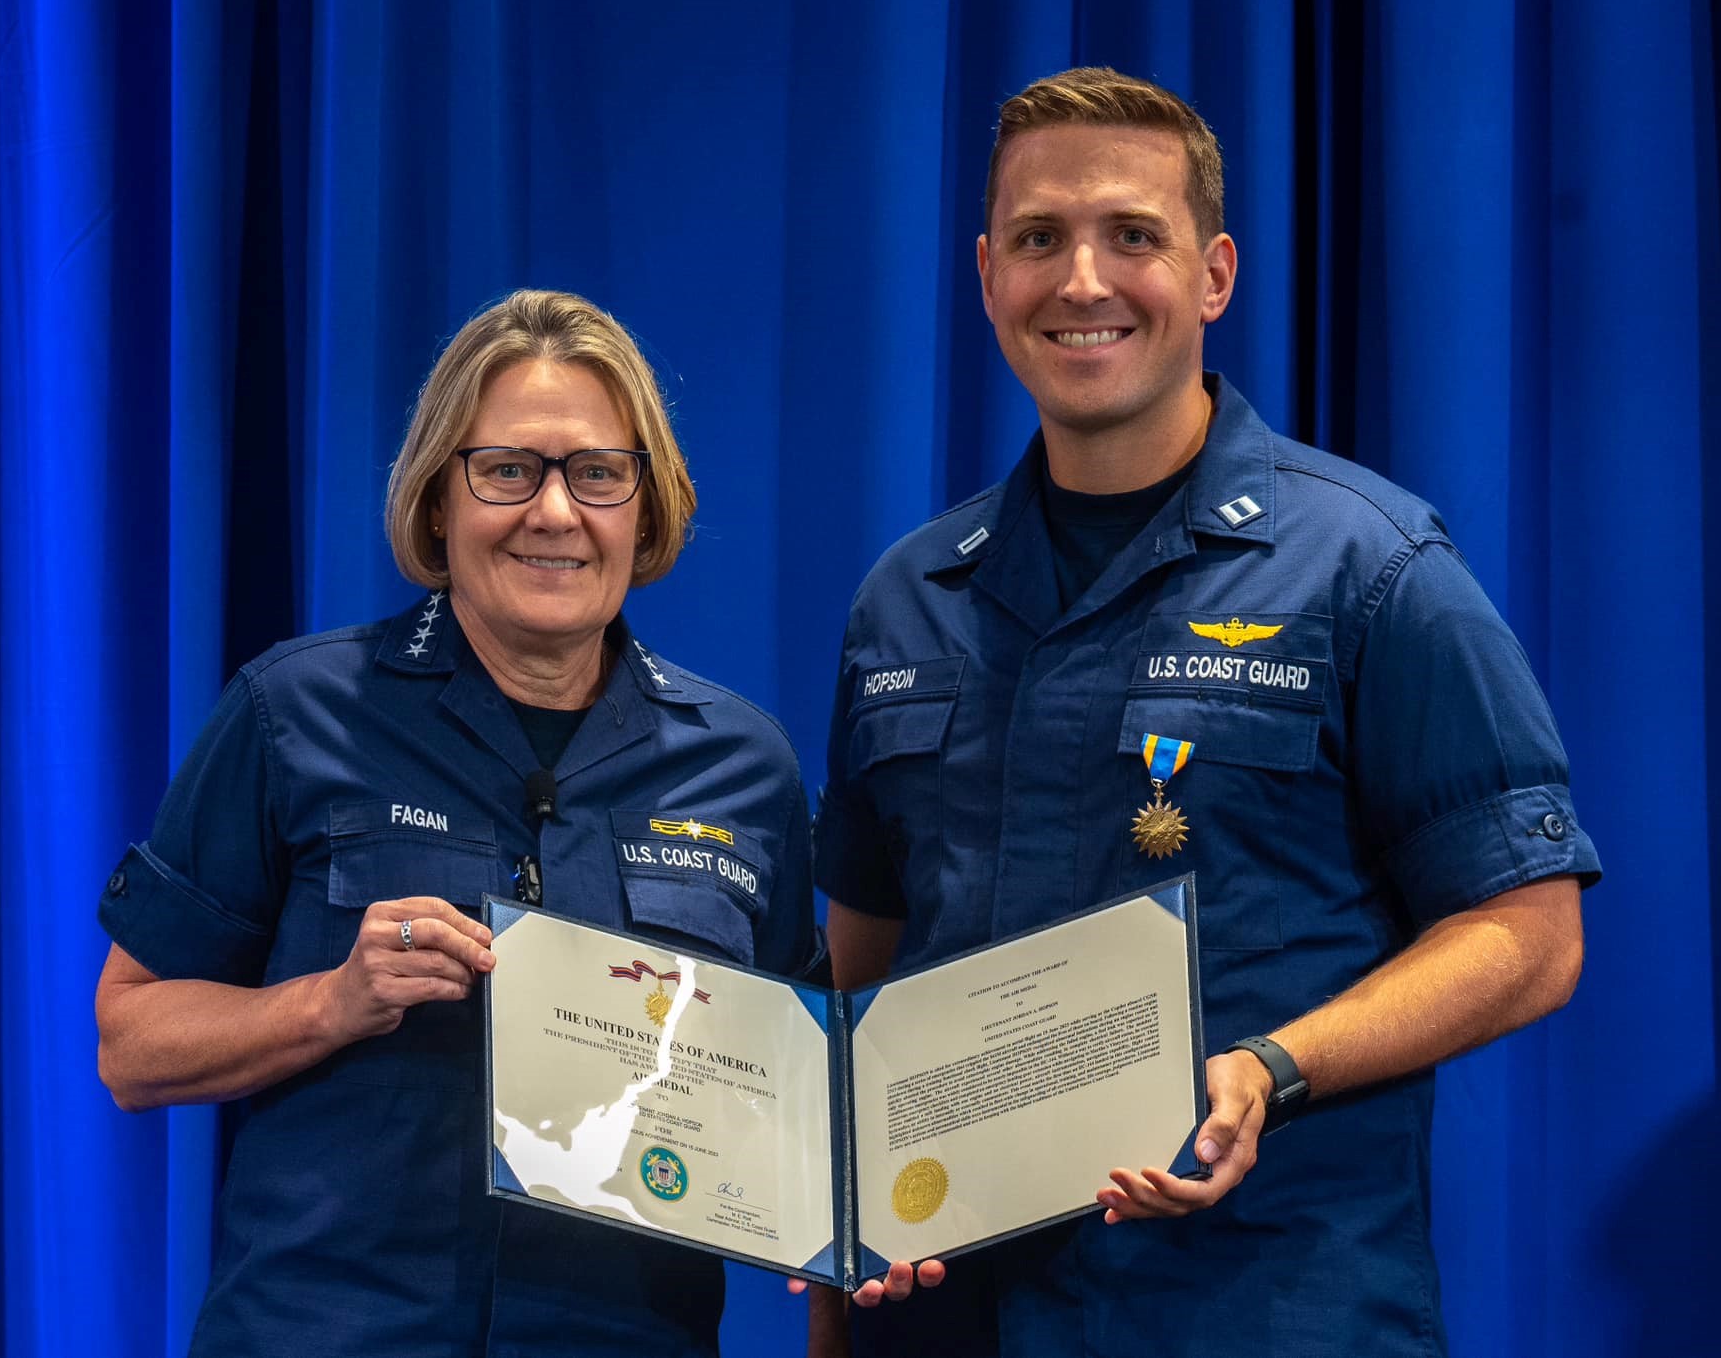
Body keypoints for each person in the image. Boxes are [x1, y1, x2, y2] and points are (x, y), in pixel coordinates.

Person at [809, 68, 1600, 1356]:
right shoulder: (907, 597)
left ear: (1214, 275)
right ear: (985, 274)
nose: (1080, 281)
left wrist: (1272, 1067)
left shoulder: (1370, 566)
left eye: (1132, 236)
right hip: (957, 1321)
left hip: (1254, 1306)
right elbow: (855, 981)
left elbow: (1528, 932)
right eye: (1036, 239)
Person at [95, 289, 817, 1356]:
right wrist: (328, 1004)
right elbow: (129, 1042)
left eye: (597, 473)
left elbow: (794, 1101)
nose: (554, 513)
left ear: (646, 507)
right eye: (506, 470)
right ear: (438, 500)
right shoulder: (291, 712)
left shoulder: (743, 767)